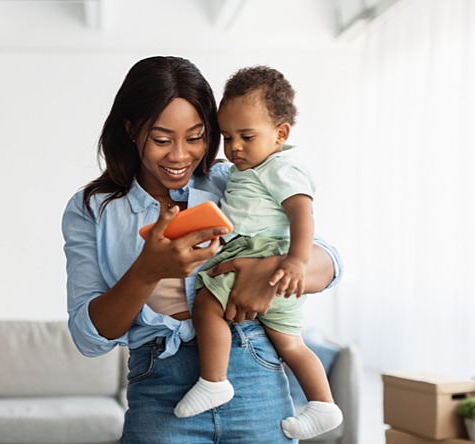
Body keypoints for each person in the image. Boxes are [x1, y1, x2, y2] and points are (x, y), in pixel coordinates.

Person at [62, 56, 343, 443]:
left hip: (255, 369)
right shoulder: (94, 209)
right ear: (130, 129)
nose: (180, 156)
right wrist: (148, 270)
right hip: (161, 388)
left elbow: (330, 261)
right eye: (162, 139)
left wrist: (269, 274)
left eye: (195, 137)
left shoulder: (235, 179)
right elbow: (88, 336)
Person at [173, 66, 343, 440]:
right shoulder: (244, 169)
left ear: (281, 133)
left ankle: (214, 380)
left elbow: (302, 214)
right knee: (291, 343)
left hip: (263, 251)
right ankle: (323, 404)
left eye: (246, 136)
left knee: (205, 306)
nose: (234, 147)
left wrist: (295, 262)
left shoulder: (280, 168)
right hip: (265, 255)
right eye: (227, 137)